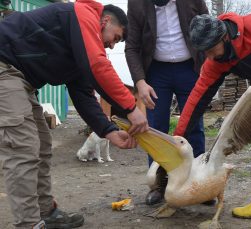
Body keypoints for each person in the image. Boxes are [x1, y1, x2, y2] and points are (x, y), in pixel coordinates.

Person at [0, 1, 148, 228]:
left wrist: (109, 132)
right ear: (105, 21)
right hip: (4, 67)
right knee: (23, 147)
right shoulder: (80, 14)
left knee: (41, 142)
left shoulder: (81, 49)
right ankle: (29, 224)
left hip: (21, 80)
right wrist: (131, 108)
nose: (111, 46)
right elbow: (98, 65)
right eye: (115, 37)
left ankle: (46, 212)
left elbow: (83, 96)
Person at [174, 11, 251, 228]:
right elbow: (197, 98)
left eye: (212, 50)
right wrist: (178, 135)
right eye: (206, 53)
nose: (211, 57)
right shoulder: (216, 61)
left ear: (224, 37)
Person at [125, 0, 208, 206]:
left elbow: (207, 28)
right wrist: (140, 82)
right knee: (155, 129)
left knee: (194, 126)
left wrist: (207, 68)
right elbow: (132, 47)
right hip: (156, 71)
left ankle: (199, 184)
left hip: (189, 68)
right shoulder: (136, 4)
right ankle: (160, 186)